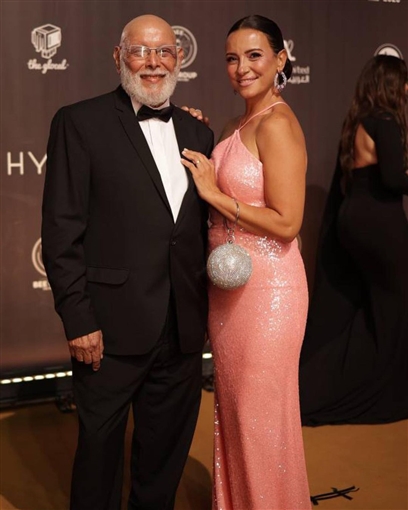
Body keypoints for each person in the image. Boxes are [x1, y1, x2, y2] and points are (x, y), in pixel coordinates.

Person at [41, 14, 213, 510]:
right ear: (119, 57)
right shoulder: (79, 122)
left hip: (181, 327)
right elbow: (61, 231)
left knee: (163, 460)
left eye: (164, 51)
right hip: (108, 330)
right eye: (140, 51)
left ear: (179, 59)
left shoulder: (198, 133)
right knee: (98, 457)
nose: (153, 62)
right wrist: (78, 320)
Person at [181, 14, 311, 510]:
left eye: (254, 56)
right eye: (232, 58)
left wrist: (216, 194)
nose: (242, 68)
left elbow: (287, 222)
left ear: (280, 60)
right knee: (235, 414)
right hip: (229, 291)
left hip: (268, 294)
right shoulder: (237, 123)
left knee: (260, 423)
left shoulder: (278, 124)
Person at [300, 55, 408, 426]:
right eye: (404, 81)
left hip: (354, 220)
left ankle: (348, 381)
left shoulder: (358, 120)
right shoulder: (386, 120)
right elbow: (394, 180)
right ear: (391, 84)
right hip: (380, 223)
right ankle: (383, 390)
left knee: (374, 308)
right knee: (395, 310)